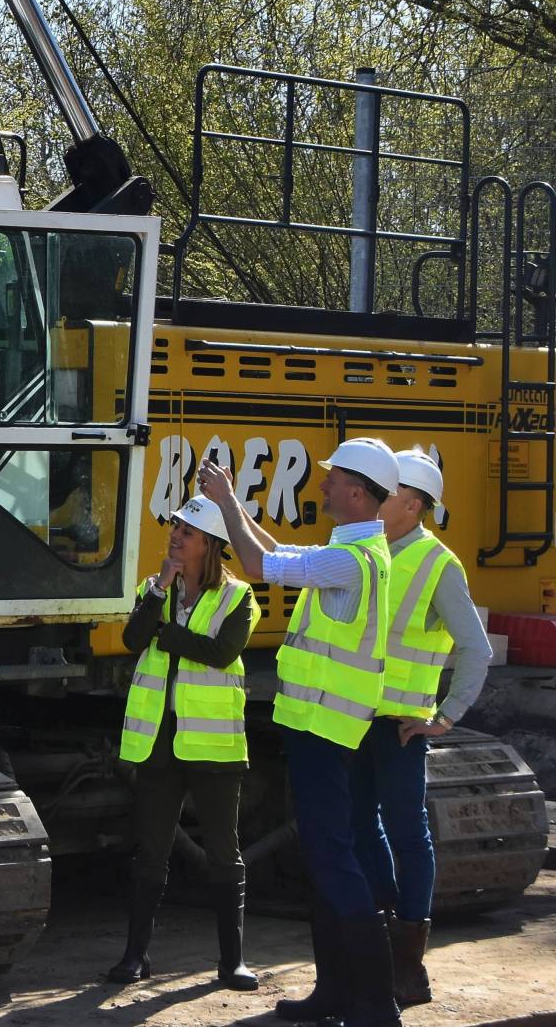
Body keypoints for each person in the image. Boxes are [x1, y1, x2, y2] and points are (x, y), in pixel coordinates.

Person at [200, 437, 402, 1027]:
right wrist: (234, 509)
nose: (323, 484)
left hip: (323, 727)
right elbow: (280, 552)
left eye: (333, 478)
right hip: (319, 725)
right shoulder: (355, 552)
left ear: (358, 493)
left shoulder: (349, 560)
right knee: (325, 856)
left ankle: (374, 1003)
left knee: (334, 859)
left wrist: (229, 503)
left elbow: (262, 567)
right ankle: (337, 994)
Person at [354, 449, 491, 1006]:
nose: (374, 500)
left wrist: (446, 716)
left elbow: (476, 649)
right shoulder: (366, 549)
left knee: (409, 836)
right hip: (354, 719)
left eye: (384, 494)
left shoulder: (439, 564)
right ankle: (381, 943)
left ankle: (407, 962)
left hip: (401, 729)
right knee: (362, 830)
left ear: (412, 505)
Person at [108, 494, 260, 989]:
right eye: (175, 527)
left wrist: (168, 635)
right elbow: (133, 640)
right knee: (150, 850)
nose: (175, 535)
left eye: (187, 532)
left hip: (213, 746)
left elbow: (221, 652)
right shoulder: (153, 589)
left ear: (211, 545)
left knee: (223, 850)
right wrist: (159, 592)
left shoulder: (239, 597)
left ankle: (231, 960)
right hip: (158, 739)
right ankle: (135, 956)